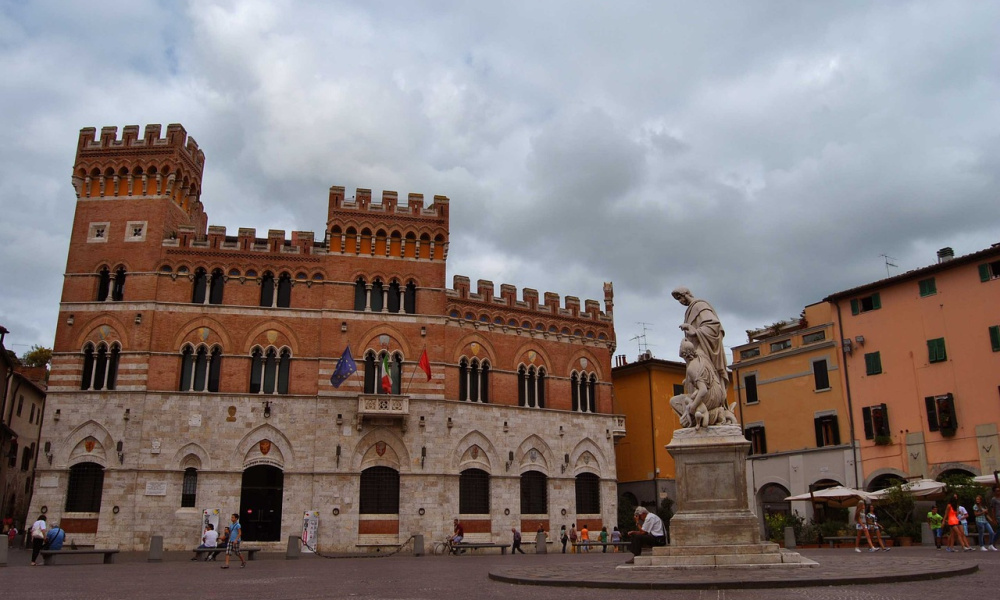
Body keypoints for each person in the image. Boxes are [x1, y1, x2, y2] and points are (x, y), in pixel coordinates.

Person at [672, 287, 728, 387]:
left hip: (703, 353)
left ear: (686, 294)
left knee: (703, 383)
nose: (680, 301)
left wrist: (695, 332)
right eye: (678, 299)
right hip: (696, 354)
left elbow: (714, 326)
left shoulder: (700, 305)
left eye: (680, 297)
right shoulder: (690, 310)